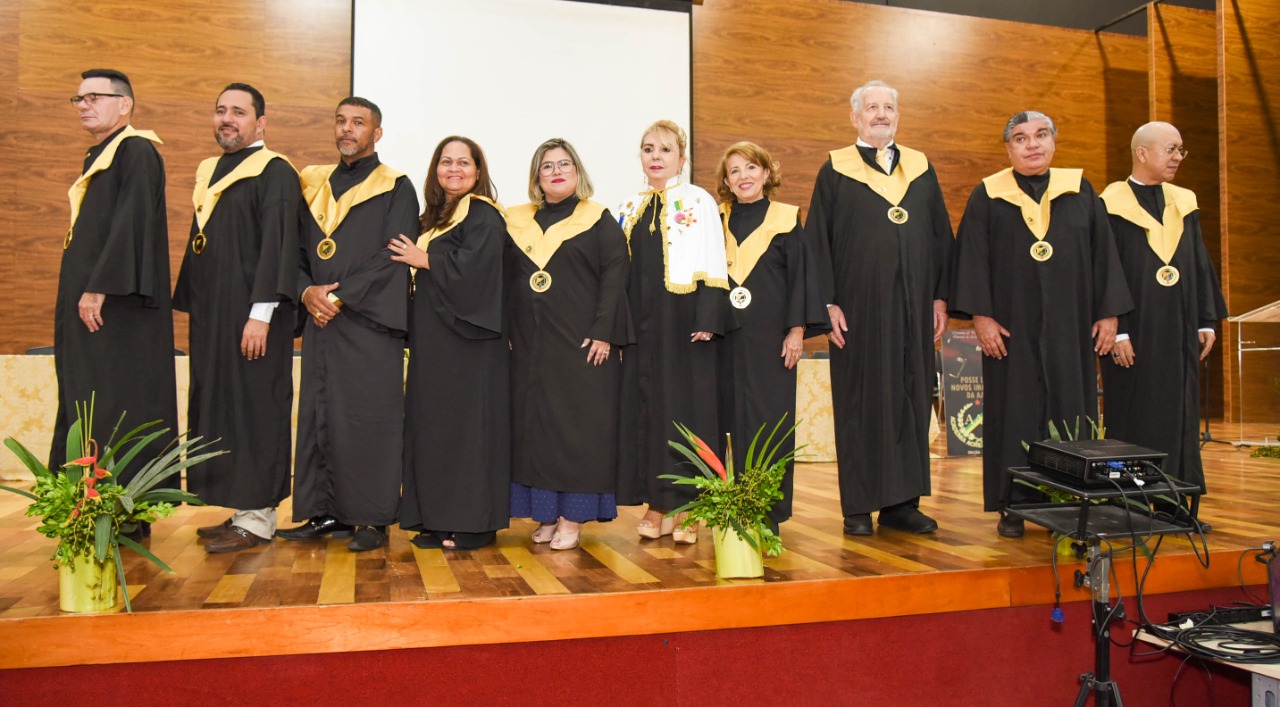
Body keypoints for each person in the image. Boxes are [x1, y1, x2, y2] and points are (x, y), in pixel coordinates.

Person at [949, 111, 1132, 537]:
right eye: (1020, 138)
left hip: (1072, 327)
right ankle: (1013, 504)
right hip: (1010, 330)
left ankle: (1069, 502)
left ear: (1053, 141)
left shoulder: (1080, 190)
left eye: (1041, 135)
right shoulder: (988, 195)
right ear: (1008, 148)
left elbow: (1104, 255)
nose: (1032, 144)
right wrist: (981, 317)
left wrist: (1109, 313)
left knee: (1071, 411)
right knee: (1014, 412)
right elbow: (972, 257)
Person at [805, 81, 953, 536]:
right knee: (861, 400)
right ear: (855, 118)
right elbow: (818, 240)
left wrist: (940, 296)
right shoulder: (835, 170)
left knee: (911, 396)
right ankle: (858, 506)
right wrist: (827, 303)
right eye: (872, 108)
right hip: (858, 308)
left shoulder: (920, 168)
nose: (882, 114)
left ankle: (901, 505)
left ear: (898, 115)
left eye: (889, 107)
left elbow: (940, 234)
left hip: (913, 305)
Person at [277, 97, 418, 553]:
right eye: (341, 121)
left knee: (368, 420)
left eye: (358, 122)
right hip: (321, 320)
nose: (347, 129)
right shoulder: (312, 184)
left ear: (376, 133)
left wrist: (337, 296)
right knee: (320, 415)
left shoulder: (395, 186)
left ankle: (372, 518)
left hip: (368, 321)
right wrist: (306, 292)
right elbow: (293, 251)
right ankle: (326, 512)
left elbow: (395, 253)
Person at [174, 83, 301, 554]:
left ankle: (259, 517)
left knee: (255, 410)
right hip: (217, 314)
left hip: (255, 315)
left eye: (239, 112)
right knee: (221, 408)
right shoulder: (211, 170)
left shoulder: (275, 171)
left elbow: (278, 245)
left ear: (260, 122)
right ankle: (240, 507)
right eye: (221, 110)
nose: (227, 118)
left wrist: (261, 313)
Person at [54, 69, 179, 514]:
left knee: (114, 403)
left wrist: (99, 286)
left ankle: (120, 511)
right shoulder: (102, 154)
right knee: (86, 398)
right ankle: (86, 507)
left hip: (116, 307)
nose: (83, 105)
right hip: (95, 301)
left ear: (124, 105)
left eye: (94, 97)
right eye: (79, 99)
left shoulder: (136, 150)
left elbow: (132, 223)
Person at [505, 138, 634, 550]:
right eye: (547, 166)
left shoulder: (598, 220)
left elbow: (615, 278)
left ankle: (573, 518)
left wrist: (605, 331)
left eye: (564, 164)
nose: (556, 171)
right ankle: (545, 514)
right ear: (537, 177)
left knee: (579, 430)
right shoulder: (516, 222)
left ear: (577, 172)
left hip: (583, 344)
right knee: (536, 428)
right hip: (531, 345)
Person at [615, 120, 732, 545]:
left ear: (682, 158)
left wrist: (708, 318)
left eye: (665, 149)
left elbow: (714, 260)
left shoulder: (698, 200)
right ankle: (657, 502)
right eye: (649, 149)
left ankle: (691, 505)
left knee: (687, 411)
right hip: (641, 326)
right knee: (649, 411)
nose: (656, 156)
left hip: (686, 324)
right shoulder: (628, 207)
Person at [389, 136, 509, 551]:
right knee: (433, 429)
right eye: (446, 161)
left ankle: (472, 525)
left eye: (463, 162)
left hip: (469, 345)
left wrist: (426, 260)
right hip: (434, 341)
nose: (453, 169)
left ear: (478, 171)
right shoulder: (434, 218)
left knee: (467, 432)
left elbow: (480, 269)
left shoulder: (483, 214)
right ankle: (436, 520)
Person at [1099, 122, 1227, 494]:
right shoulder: (1110, 205)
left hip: (1178, 328)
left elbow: (1199, 262)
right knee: (1134, 412)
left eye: (1180, 150)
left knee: (1180, 414)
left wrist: (1206, 320)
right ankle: (1130, 500)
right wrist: (1118, 330)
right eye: (1171, 149)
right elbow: (1106, 271)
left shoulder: (1183, 202)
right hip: (1133, 333)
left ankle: (1177, 498)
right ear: (1142, 153)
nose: (1178, 157)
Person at [714, 142, 827, 531]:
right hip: (723, 338)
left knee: (769, 421)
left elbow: (801, 278)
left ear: (766, 173)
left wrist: (797, 330)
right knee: (725, 418)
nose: (743, 176)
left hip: (771, 339)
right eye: (734, 171)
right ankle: (728, 507)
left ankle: (766, 512)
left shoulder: (786, 219)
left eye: (751, 167)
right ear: (726, 181)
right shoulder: (715, 220)